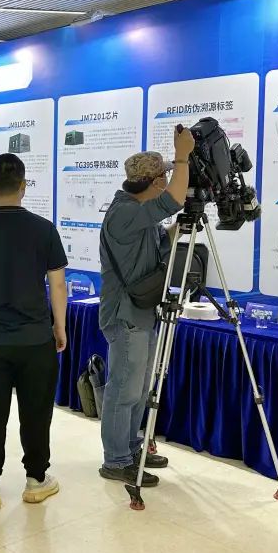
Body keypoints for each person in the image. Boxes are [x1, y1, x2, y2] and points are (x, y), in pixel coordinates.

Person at [0, 153, 68, 510]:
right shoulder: (43, 228)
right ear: (23, 185)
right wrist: (59, 326)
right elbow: (58, 284)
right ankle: (36, 479)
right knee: (37, 413)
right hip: (36, 339)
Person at [97, 129, 194, 487]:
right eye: (164, 177)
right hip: (125, 315)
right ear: (155, 183)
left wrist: (176, 230)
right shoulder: (125, 212)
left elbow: (157, 247)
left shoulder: (140, 215)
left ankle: (131, 447)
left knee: (138, 389)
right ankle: (115, 459)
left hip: (141, 312)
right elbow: (174, 200)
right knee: (124, 389)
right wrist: (182, 156)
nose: (168, 181)